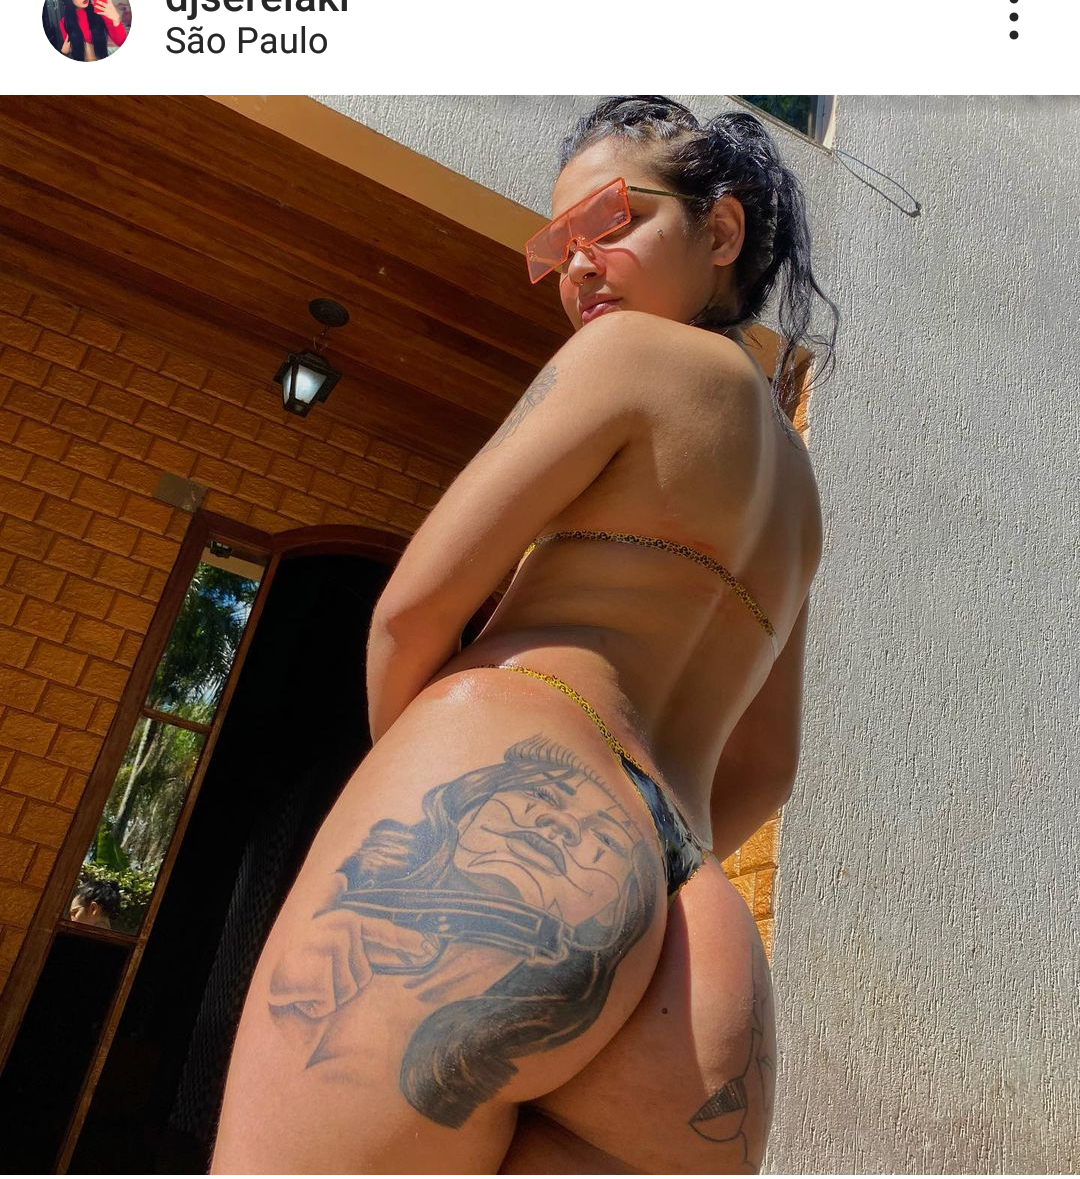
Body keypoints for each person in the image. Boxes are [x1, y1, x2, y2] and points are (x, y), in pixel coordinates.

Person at [212, 96, 838, 1174]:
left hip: (498, 837)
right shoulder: (800, 493)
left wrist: (423, 785)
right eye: (557, 248)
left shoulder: (628, 355)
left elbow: (412, 609)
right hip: (697, 940)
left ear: (721, 230)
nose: (578, 266)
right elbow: (769, 766)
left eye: (612, 220)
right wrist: (627, 868)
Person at [55, 0, 127, 61]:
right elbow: (71, 49)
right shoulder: (64, 22)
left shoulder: (99, 11)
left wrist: (116, 19)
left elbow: (121, 42)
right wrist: (64, 53)